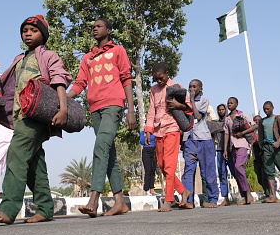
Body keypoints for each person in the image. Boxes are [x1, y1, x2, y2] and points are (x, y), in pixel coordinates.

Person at [0, 15, 71, 224]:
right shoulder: (19, 59)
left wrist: (63, 109)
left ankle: (9, 207)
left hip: (39, 117)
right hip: (20, 118)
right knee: (34, 163)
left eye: (34, 30)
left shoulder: (49, 56)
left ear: (44, 34)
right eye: (25, 31)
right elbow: (8, 93)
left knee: (16, 153)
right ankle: (45, 208)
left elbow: (59, 81)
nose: (28, 34)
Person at [68, 19, 136, 217]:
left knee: (100, 147)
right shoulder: (88, 58)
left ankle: (94, 198)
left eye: (99, 26)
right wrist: (63, 98)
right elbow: (80, 83)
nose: (94, 29)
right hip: (95, 109)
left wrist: (130, 110)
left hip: (113, 104)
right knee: (109, 153)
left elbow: (126, 78)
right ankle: (120, 202)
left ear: (108, 30)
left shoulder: (118, 51)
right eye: (93, 27)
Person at [145, 62, 191, 212]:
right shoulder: (154, 90)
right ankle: (184, 191)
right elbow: (152, 110)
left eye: (161, 78)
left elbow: (189, 108)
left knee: (170, 166)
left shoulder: (176, 86)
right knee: (163, 165)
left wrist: (178, 106)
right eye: (156, 78)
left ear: (167, 73)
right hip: (158, 131)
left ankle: (169, 200)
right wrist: (148, 130)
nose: (159, 81)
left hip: (172, 128)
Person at [180, 79, 219, 209]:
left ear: (200, 89)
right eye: (190, 86)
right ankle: (188, 200)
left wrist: (191, 100)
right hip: (189, 141)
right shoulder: (183, 104)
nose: (191, 89)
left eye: (194, 87)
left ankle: (211, 199)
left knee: (208, 172)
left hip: (204, 140)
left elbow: (197, 116)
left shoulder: (204, 101)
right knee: (188, 171)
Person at [223, 97, 256, 205]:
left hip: (242, 144)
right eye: (228, 103)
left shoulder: (242, 115)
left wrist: (243, 133)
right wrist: (225, 149)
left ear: (236, 104)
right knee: (236, 172)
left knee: (238, 166)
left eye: (231, 103)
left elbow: (255, 125)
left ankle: (248, 194)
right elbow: (226, 134)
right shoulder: (227, 119)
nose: (229, 104)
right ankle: (245, 197)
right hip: (233, 147)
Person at [212, 104, 232, 206]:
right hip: (219, 151)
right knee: (222, 174)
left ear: (226, 110)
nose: (221, 111)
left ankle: (245, 196)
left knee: (236, 172)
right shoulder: (215, 123)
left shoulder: (230, 121)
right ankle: (225, 198)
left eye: (223, 109)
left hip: (231, 150)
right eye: (219, 110)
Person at [252, 114, 270, 198]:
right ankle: (266, 190)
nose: (256, 122)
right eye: (255, 120)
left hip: (264, 157)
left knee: (265, 175)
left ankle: (268, 193)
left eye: (258, 120)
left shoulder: (264, 132)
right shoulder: (251, 133)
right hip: (256, 158)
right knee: (259, 176)